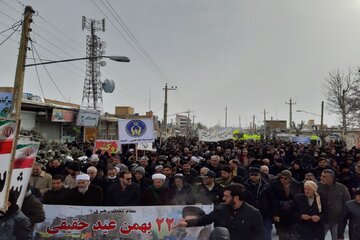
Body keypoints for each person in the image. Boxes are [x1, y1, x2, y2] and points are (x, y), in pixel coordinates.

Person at [174, 183, 265, 240]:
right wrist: (187, 223)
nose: (223, 198)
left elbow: (259, 234)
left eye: (226, 196)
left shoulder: (253, 213)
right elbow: (205, 219)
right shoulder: (221, 208)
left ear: (236, 198)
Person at [244, 166, 276, 240]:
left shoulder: (267, 185)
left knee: (266, 235)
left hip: (265, 214)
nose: (253, 177)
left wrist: (274, 214)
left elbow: (272, 200)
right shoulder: (245, 185)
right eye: (252, 175)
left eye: (256, 175)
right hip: (250, 213)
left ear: (260, 175)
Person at [317, 169, 350, 240]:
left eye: (324, 177)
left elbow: (348, 203)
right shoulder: (317, 186)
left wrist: (344, 216)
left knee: (336, 238)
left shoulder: (341, 188)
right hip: (322, 220)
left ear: (331, 178)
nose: (321, 178)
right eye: (321, 176)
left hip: (336, 220)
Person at [272, 170, 302, 240]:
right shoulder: (274, 185)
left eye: (285, 178)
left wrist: (290, 203)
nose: (282, 180)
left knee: (293, 235)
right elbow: (272, 200)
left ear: (290, 178)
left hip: (293, 213)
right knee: (282, 235)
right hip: (281, 212)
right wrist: (275, 214)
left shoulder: (296, 185)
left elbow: (298, 198)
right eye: (281, 178)